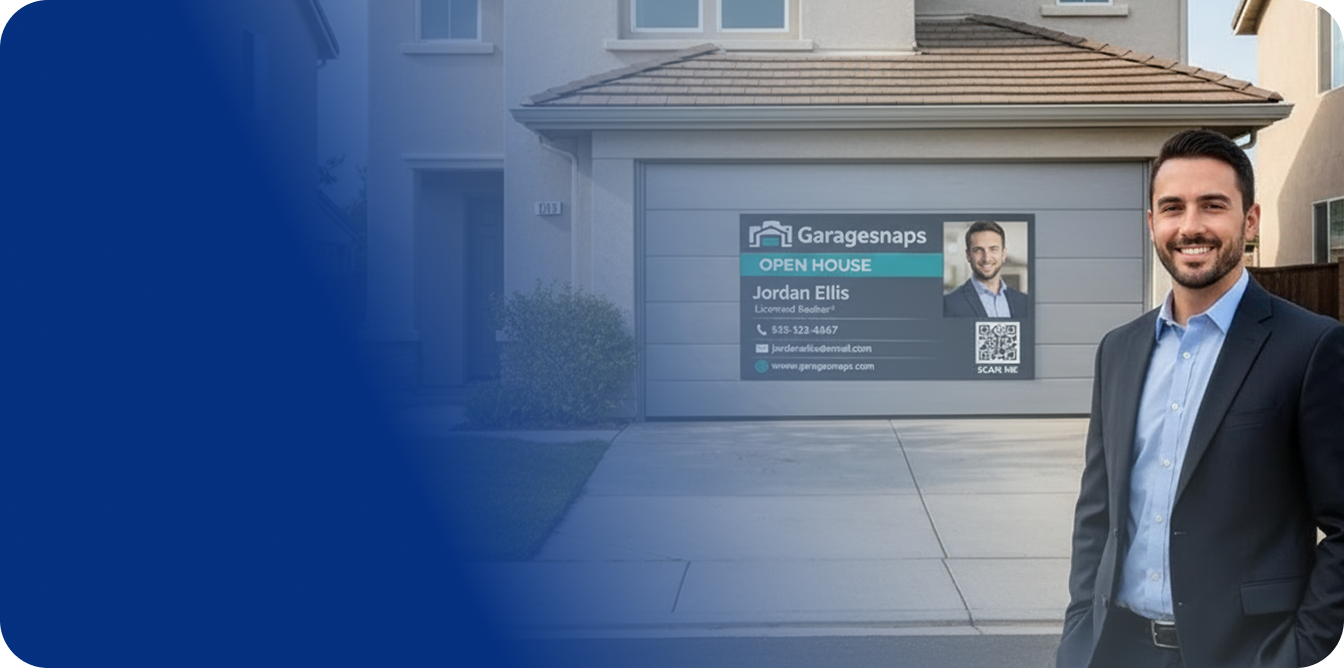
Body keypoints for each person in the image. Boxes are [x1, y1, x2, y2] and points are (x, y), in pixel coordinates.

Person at [1057, 128, 1344, 668]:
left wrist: (1301, 652)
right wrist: (1079, 634)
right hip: (1117, 649)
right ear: (1152, 224)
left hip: (1246, 653)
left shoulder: (1309, 347)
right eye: (1173, 207)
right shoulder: (1118, 351)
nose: (1191, 226)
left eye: (1213, 205)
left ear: (1249, 220)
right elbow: (1098, 513)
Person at [942, 220, 1028, 318]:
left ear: (1003, 254)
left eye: (993, 249)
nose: (986, 258)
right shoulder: (949, 304)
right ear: (968, 255)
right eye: (978, 250)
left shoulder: (1024, 302)